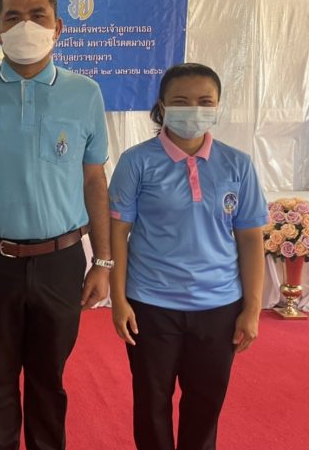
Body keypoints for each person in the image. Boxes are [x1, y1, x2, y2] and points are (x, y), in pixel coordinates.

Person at [0, 0, 113, 450]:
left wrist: (103, 261)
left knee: (48, 381)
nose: (26, 26)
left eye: (38, 15)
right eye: (13, 18)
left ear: (58, 27)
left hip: (61, 260)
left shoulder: (85, 93)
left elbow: (94, 181)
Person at [108, 63, 267, 450]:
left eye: (205, 102)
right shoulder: (136, 161)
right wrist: (119, 299)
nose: (193, 109)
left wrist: (252, 308)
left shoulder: (238, 164)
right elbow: (118, 234)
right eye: (181, 101)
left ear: (218, 105)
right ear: (162, 106)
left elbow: (250, 239)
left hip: (219, 307)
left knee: (205, 404)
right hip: (151, 306)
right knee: (152, 403)